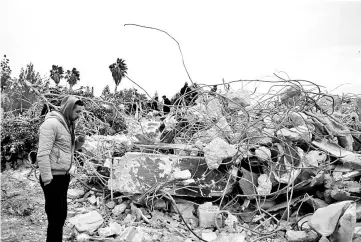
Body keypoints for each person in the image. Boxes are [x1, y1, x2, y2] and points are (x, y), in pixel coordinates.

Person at [37, 96, 85, 242]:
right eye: (77, 112)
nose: (79, 115)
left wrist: (79, 143)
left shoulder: (68, 124)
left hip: (63, 177)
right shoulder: (51, 124)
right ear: (68, 109)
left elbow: (66, 150)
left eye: (81, 112)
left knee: (60, 217)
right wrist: (47, 180)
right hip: (52, 178)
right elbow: (42, 154)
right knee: (55, 219)